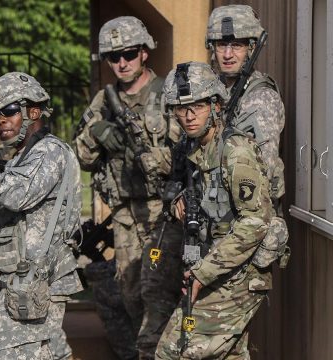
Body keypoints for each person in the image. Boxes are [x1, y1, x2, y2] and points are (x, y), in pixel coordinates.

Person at [0, 71, 83, 359]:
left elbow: (16, 194)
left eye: (9, 111)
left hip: (37, 283)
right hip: (17, 283)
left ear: (33, 111)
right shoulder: (18, 162)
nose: (0, 120)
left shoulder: (50, 152)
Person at [73, 16, 183, 360]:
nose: (122, 62)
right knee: (130, 294)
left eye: (129, 54)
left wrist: (153, 158)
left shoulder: (168, 95)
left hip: (163, 215)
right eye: (113, 56)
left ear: (144, 53)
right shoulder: (104, 101)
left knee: (159, 295)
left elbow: (188, 154)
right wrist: (97, 133)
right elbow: (81, 155)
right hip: (123, 217)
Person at [155, 61, 274, 359]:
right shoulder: (193, 148)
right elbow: (192, 191)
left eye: (197, 105)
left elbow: (255, 222)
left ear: (216, 105)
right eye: (181, 108)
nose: (189, 115)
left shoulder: (235, 150)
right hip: (214, 265)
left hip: (240, 273)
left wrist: (201, 275)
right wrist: (179, 201)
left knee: (174, 351)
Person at [206, 4, 286, 209]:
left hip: (250, 215)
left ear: (251, 48)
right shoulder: (212, 90)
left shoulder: (260, 97)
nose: (228, 54)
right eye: (222, 45)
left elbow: (261, 169)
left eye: (237, 45)